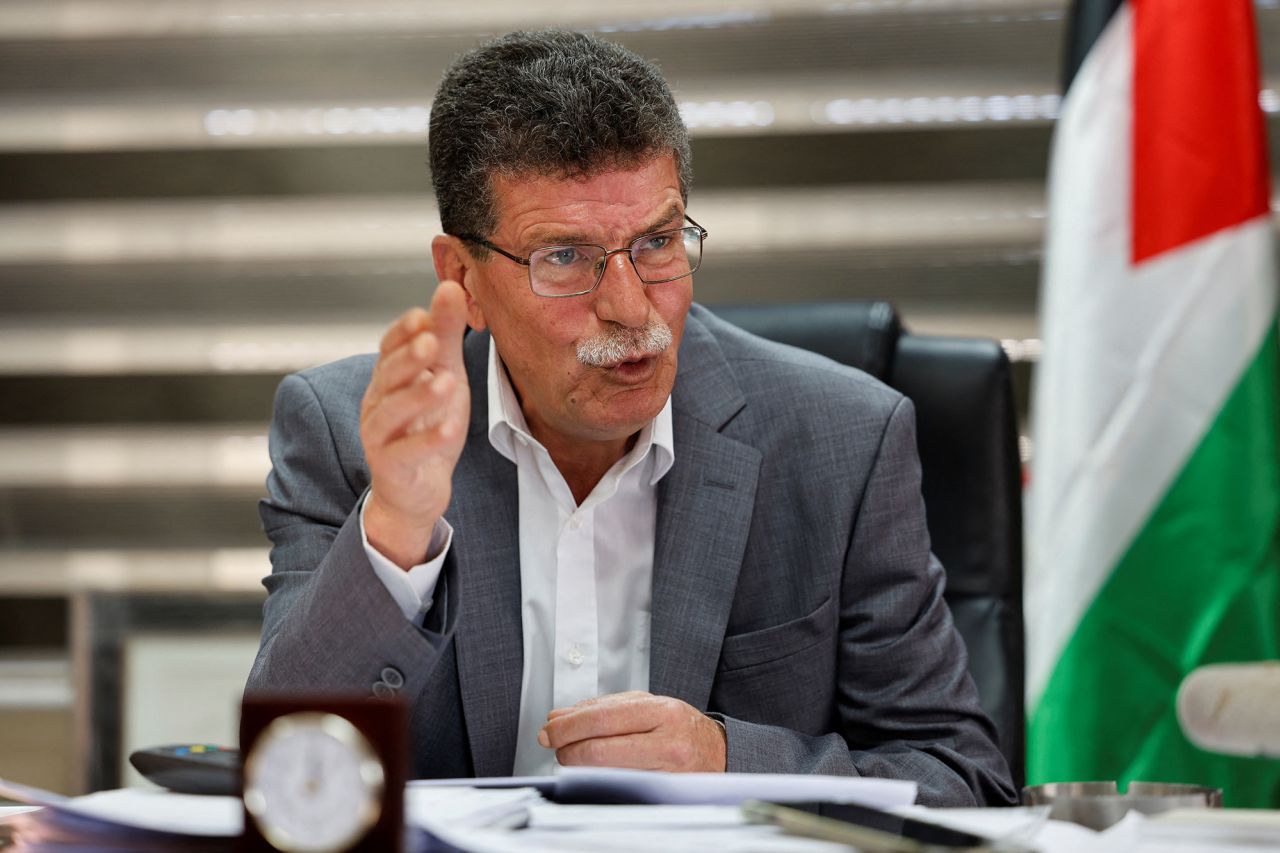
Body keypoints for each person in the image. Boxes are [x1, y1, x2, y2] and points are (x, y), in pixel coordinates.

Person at [246, 29, 1017, 807]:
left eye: (657, 241)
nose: (630, 309)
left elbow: (963, 781)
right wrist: (398, 523)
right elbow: (288, 771)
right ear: (463, 279)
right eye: (565, 258)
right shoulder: (352, 434)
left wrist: (726, 757)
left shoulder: (841, 440)